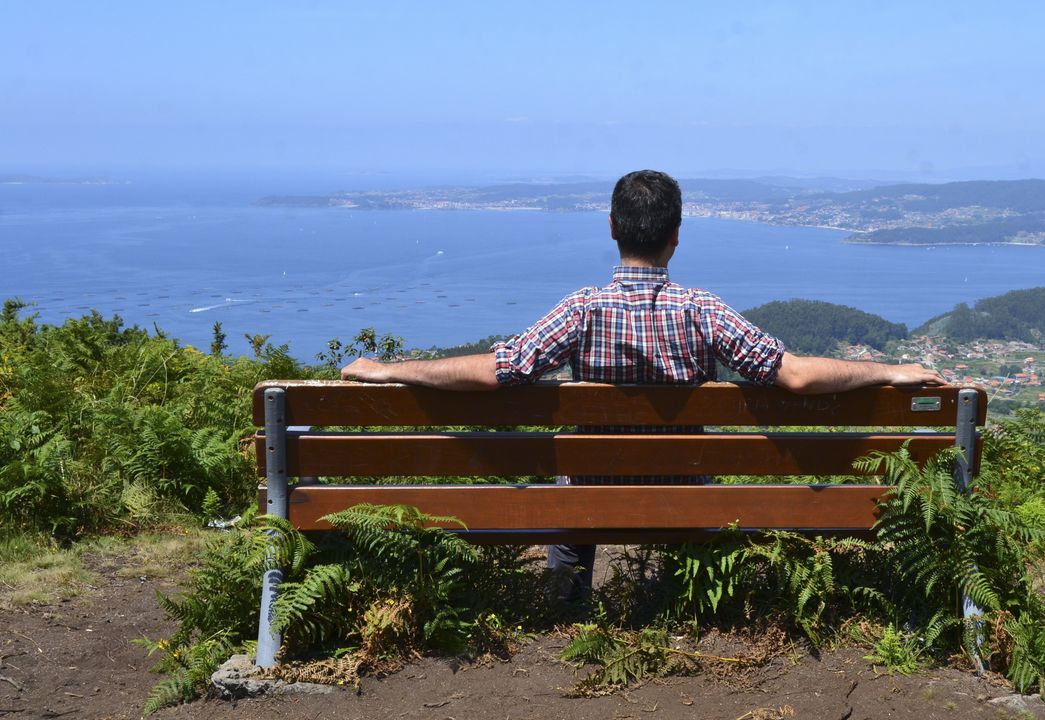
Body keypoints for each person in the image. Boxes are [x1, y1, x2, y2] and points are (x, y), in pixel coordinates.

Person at [341, 169, 944, 603]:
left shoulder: (581, 309)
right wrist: (890, 371)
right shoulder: (703, 310)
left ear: (612, 228)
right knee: (692, 476)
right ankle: (691, 602)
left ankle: (567, 603)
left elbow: (496, 369)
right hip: (687, 495)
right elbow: (798, 374)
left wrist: (391, 369)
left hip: (585, 498)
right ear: (676, 234)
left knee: (570, 481)